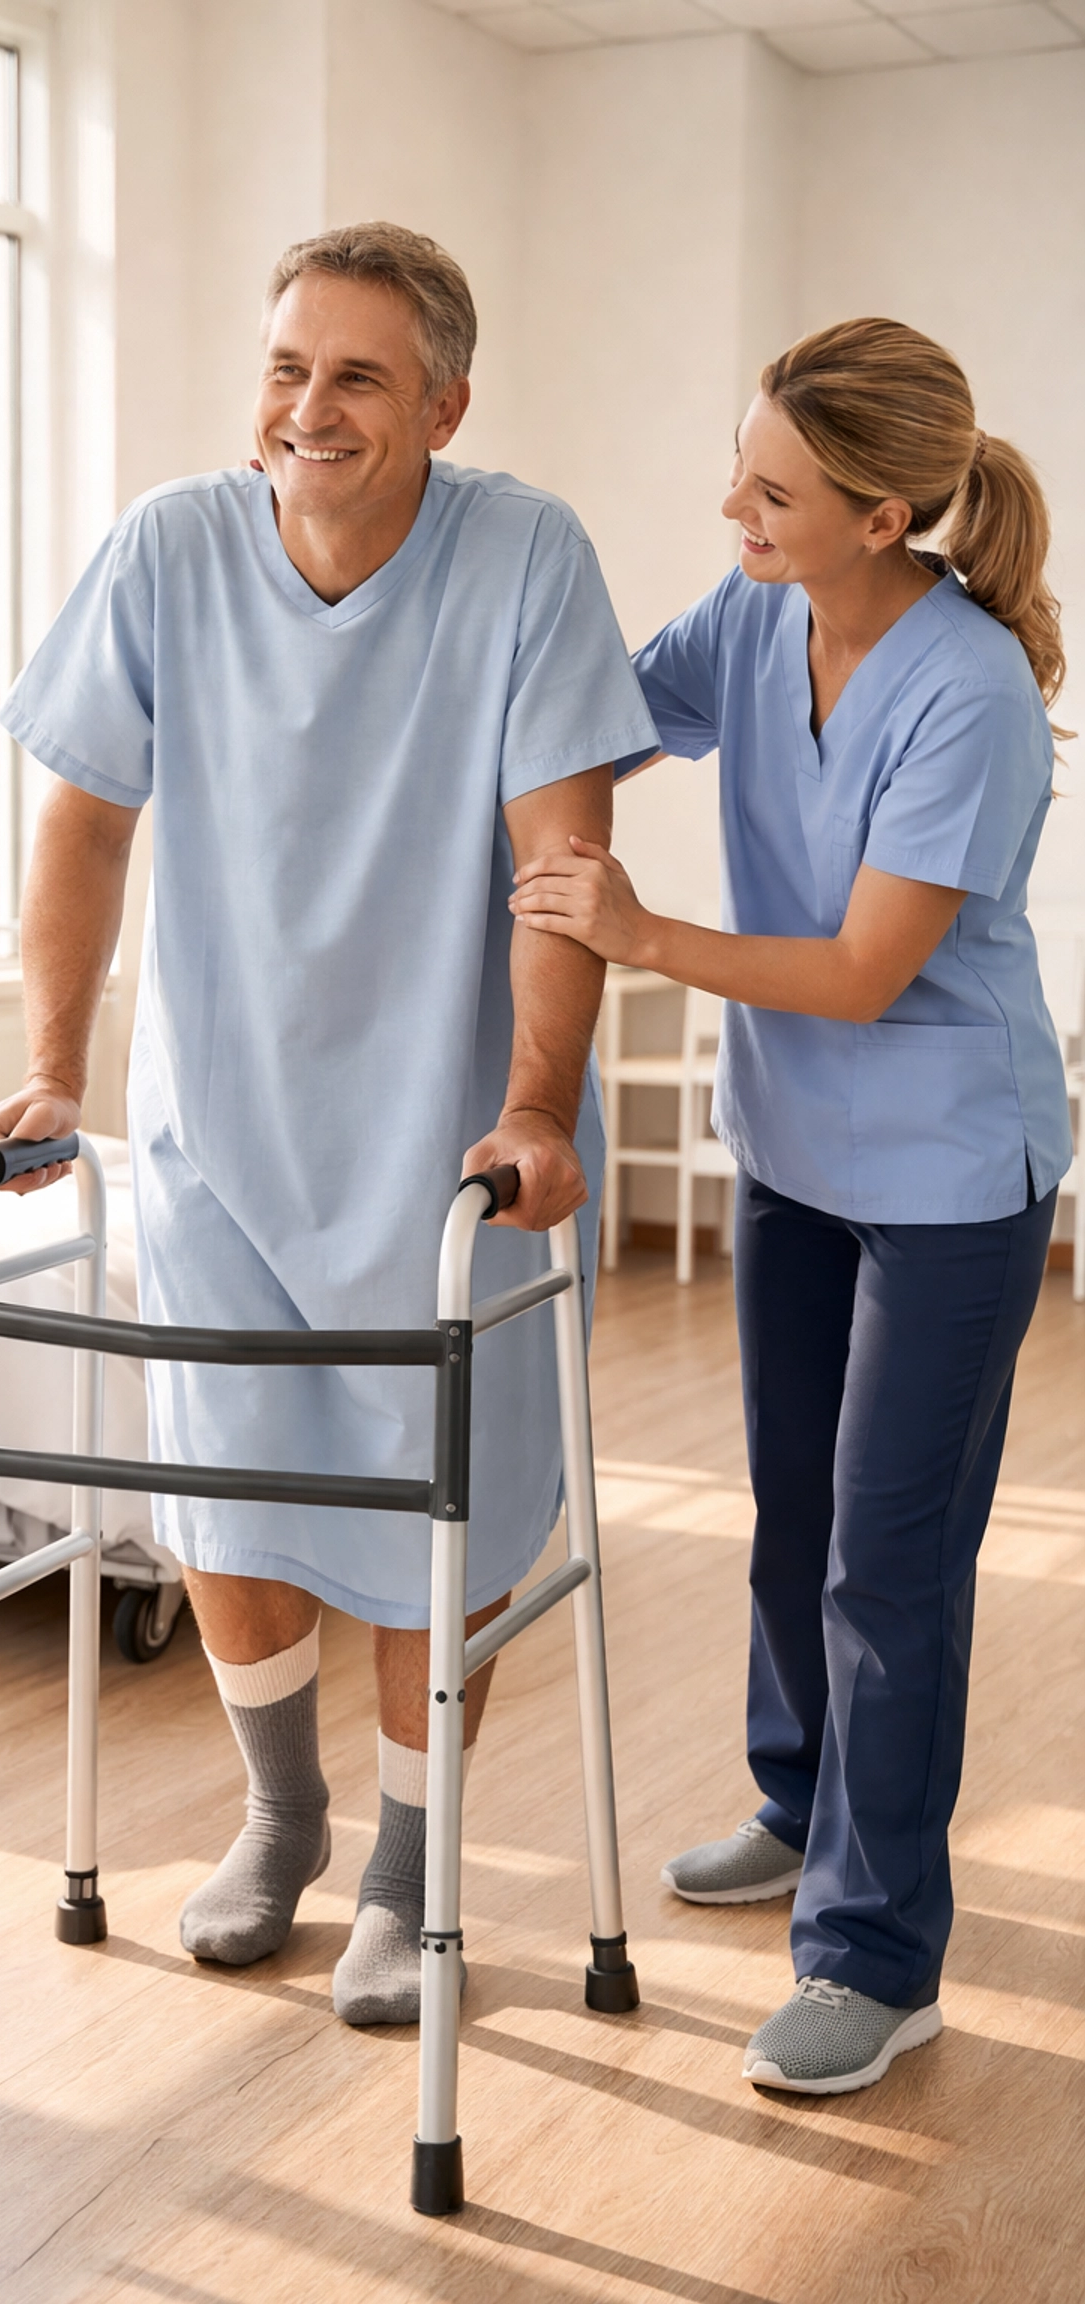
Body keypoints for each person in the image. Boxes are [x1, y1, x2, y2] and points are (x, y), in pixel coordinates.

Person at [0, 223, 656, 2026]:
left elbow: (562, 867)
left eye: (356, 373)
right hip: (224, 1131)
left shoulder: (523, 556)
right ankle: (282, 1822)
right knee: (229, 1489)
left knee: (449, 1506)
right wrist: (57, 1061)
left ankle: (411, 1871)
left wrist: (534, 1105)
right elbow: (86, 823)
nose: (309, 405)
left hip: (444, 1149)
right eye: (287, 364)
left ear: (443, 400)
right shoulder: (169, 548)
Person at [510, 318, 1071, 2095]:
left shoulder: (969, 689)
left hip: (951, 1179)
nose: (729, 505)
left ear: (886, 512)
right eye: (738, 467)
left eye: (772, 488)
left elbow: (861, 968)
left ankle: (877, 1955)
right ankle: (797, 1802)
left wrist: (638, 935)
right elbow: (593, 710)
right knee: (790, 1511)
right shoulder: (754, 617)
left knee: (889, 1563)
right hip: (796, 1155)